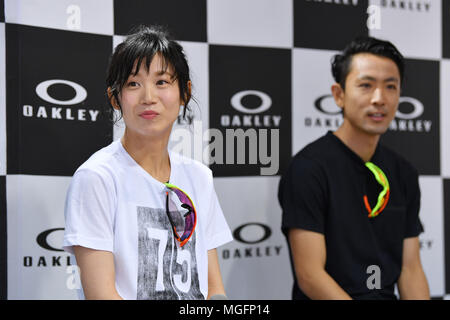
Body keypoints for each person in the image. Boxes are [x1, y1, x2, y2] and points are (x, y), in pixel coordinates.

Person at [63, 25, 233, 300]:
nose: (148, 97)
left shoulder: (199, 177)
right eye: (133, 83)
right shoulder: (97, 177)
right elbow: (101, 295)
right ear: (114, 98)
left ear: (184, 92)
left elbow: (214, 289)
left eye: (162, 82)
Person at [278, 36, 430, 300]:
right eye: (366, 85)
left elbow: (411, 268)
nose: (379, 99)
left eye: (390, 86)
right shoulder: (309, 169)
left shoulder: (403, 172)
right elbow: (310, 275)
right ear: (339, 95)